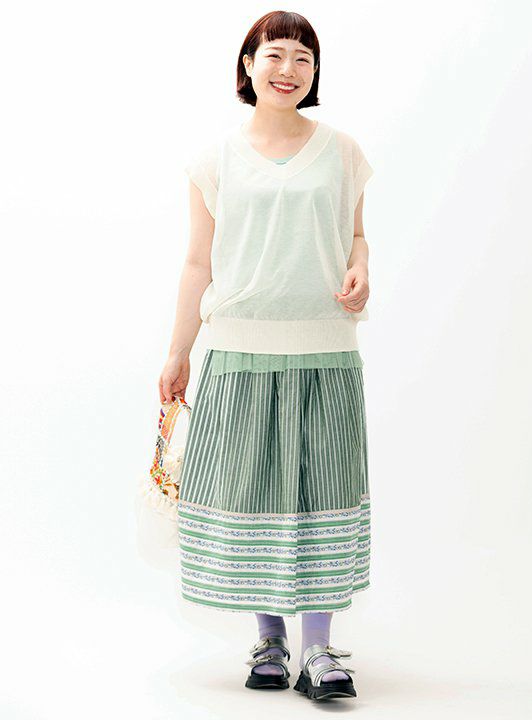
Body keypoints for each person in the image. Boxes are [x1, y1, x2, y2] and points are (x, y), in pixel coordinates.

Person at [158, 10, 374, 702]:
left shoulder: (342, 152)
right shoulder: (213, 161)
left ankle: (319, 650)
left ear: (315, 73)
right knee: (251, 491)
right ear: (248, 65)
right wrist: (178, 352)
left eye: (303, 58)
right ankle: (271, 642)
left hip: (324, 348)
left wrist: (361, 266)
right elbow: (198, 263)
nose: (289, 69)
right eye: (275, 54)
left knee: (321, 492)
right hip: (240, 350)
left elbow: (356, 235)